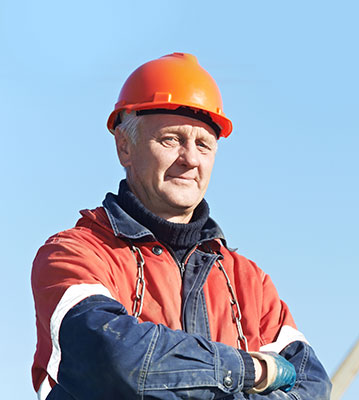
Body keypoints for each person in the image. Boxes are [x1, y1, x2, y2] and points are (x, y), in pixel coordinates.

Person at [30, 53, 332, 399]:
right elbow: (115, 359)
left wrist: (174, 372)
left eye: (203, 144)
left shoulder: (250, 283)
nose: (190, 159)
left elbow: (312, 385)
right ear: (124, 147)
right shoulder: (75, 254)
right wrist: (252, 370)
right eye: (171, 139)